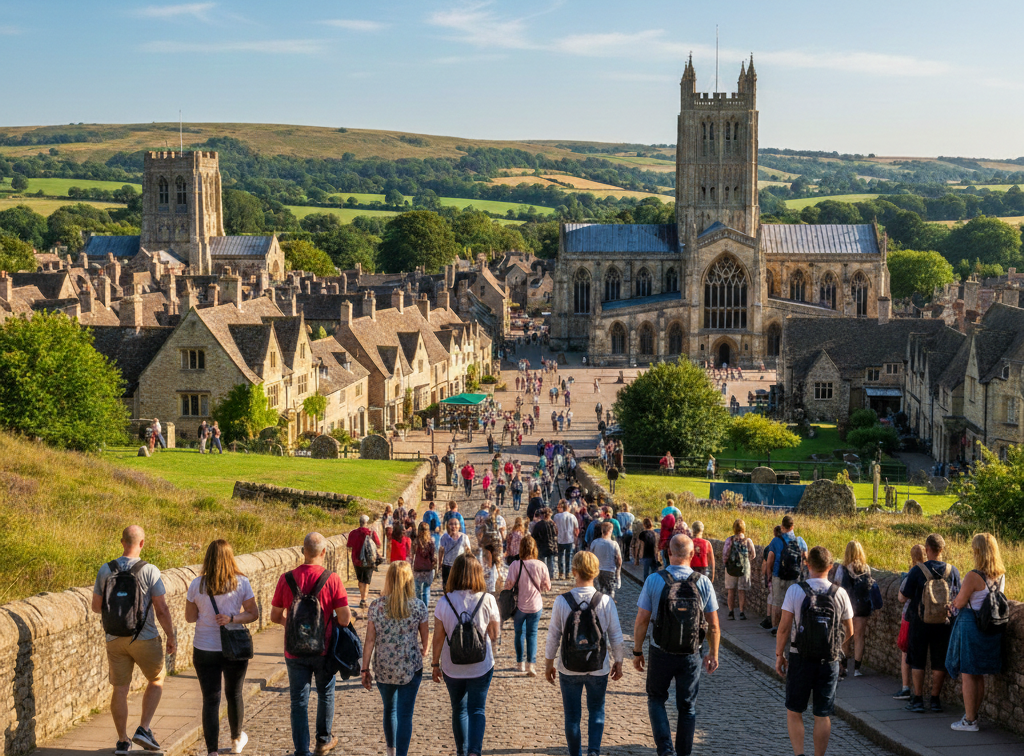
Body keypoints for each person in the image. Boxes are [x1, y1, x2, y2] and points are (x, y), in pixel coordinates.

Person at [92, 526, 176, 755]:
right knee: (157, 679)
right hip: (144, 636)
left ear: (122, 542)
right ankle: (144, 728)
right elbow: (162, 609)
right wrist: (171, 635)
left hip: (114, 638)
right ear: (142, 543)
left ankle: (122, 741)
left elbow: (96, 607)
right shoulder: (150, 571)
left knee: (120, 688)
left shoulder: (105, 570)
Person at [633, 535, 720, 756]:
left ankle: (665, 750)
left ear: (668, 553)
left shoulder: (654, 579)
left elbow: (642, 619)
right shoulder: (703, 582)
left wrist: (637, 651)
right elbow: (714, 624)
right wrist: (713, 653)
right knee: (687, 707)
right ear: (692, 555)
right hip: (691, 653)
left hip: (660, 650)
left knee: (656, 698)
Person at [270, 532, 351, 756]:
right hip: (323, 649)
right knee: (325, 693)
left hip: (294, 650)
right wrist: (327, 622)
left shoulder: (286, 579)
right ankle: (323, 740)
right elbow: (345, 619)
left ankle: (301, 750)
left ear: (303, 551)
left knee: (298, 700)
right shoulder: (331, 579)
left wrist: (291, 625)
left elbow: (274, 615)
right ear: (323, 552)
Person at [775, 546, 854, 756]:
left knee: (794, 711)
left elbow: (783, 628)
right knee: (822, 714)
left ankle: (799, 754)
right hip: (828, 660)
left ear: (807, 564)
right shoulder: (840, 594)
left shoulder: (796, 590)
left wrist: (778, 655)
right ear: (830, 567)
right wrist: (834, 646)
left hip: (800, 657)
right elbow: (850, 630)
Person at [544, 551, 625, 756]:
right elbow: (616, 634)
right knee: (597, 710)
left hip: (569, 667)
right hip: (598, 666)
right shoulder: (605, 601)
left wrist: (548, 663)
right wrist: (619, 661)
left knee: (572, 716)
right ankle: (594, 752)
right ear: (596, 572)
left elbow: (553, 635)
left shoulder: (562, 602)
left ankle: (575, 754)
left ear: (574, 571)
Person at [185, 540, 260, 756]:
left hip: (204, 647)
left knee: (210, 699)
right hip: (233, 647)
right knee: (234, 693)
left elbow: (190, 618)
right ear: (230, 557)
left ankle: (212, 751)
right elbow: (253, 613)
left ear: (208, 558)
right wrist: (232, 618)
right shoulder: (241, 583)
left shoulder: (196, 585)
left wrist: (205, 613)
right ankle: (236, 740)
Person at [431, 555, 501, 756]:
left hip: (452, 665)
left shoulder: (444, 602)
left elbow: (438, 638)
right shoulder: (487, 599)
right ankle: (474, 751)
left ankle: (461, 751)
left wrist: (435, 664)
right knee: (477, 709)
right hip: (481, 665)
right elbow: (495, 634)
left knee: (459, 709)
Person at [362, 561, 429, 756]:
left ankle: (390, 751)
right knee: (405, 714)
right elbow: (425, 640)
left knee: (389, 710)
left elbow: (369, 640)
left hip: (384, 667)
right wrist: (424, 651)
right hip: (410, 667)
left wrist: (364, 669)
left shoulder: (376, 606)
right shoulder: (418, 606)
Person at [946, 533, 1007, 732]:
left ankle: (970, 720)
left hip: (972, 626)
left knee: (968, 673)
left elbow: (961, 602)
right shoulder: (1000, 574)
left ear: (978, 551)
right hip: (991, 627)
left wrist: (952, 602)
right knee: (978, 674)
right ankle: (973, 715)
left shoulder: (974, 575)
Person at [899, 533, 961, 713]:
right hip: (943, 622)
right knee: (939, 661)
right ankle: (935, 700)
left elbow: (904, 596)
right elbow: (957, 597)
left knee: (917, 660)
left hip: (919, 621)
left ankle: (917, 699)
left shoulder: (918, 570)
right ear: (942, 550)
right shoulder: (953, 571)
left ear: (927, 549)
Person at [504, 535, 552, 676]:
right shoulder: (541, 565)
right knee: (532, 634)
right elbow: (547, 587)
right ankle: (531, 665)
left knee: (519, 633)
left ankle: (520, 664)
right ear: (534, 548)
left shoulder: (515, 565)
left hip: (518, 606)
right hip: (536, 605)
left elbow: (508, 585)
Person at [834, 540, 874, 678]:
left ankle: (843, 666)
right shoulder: (866, 568)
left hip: (847, 607)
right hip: (862, 607)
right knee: (859, 637)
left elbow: (837, 585)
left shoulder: (842, 568)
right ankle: (857, 669)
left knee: (846, 637)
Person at [766, 515, 809, 636]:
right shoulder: (800, 540)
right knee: (792, 604)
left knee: (777, 603)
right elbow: (806, 558)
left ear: (782, 527)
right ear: (793, 526)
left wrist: (769, 575)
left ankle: (776, 628)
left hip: (778, 576)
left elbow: (770, 559)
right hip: (794, 577)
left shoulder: (776, 541)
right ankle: (791, 629)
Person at [893, 544, 926, 701]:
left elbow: (901, 597)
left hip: (910, 616)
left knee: (906, 652)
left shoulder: (912, 573)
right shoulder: (934, 571)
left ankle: (906, 687)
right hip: (932, 617)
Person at [723, 519, 755, 621]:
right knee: (742, 591)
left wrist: (727, 564)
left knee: (731, 591)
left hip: (731, 568)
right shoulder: (748, 541)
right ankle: (741, 612)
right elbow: (753, 555)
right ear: (743, 528)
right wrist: (745, 561)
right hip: (744, 569)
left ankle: (731, 612)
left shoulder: (729, 540)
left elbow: (725, 554)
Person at [348, 515, 382, 609]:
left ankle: (362, 597)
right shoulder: (371, 533)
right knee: (367, 581)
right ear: (367, 523)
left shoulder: (353, 533)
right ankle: (364, 599)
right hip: (369, 559)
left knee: (360, 580)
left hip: (357, 560)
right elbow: (379, 544)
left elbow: (349, 546)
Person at [590, 521, 622, 599]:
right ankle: (608, 608)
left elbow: (589, 557)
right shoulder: (614, 544)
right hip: (610, 571)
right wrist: (618, 572)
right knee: (610, 593)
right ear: (610, 531)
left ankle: (597, 608)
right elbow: (619, 560)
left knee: (597, 593)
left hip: (597, 571)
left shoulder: (595, 542)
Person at [438, 517, 471, 589]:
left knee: (459, 586)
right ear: (447, 526)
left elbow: (468, 551)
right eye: (451, 524)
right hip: (447, 565)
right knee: (446, 586)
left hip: (459, 565)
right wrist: (440, 562)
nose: (453, 526)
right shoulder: (444, 537)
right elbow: (441, 550)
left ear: (459, 526)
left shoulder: (464, 537)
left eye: (455, 524)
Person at [412, 522, 437, 608]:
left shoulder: (416, 541)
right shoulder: (431, 541)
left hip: (417, 568)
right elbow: (433, 555)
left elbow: (413, 554)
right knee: (426, 589)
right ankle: (425, 607)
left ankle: (419, 606)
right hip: (427, 568)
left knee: (418, 590)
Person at [554, 500, 579, 580]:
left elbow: (555, 528)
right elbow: (576, 529)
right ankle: (568, 573)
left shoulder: (556, 516)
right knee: (569, 556)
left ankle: (561, 573)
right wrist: (576, 538)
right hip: (570, 539)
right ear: (568, 507)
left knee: (560, 556)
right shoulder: (573, 517)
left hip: (560, 539)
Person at [535, 509, 559, 578]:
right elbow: (556, 534)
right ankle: (551, 577)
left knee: (542, 563)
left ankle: (543, 576)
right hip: (551, 546)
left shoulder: (538, 525)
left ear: (542, 515)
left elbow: (534, 536)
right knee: (551, 563)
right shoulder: (553, 524)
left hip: (541, 546)